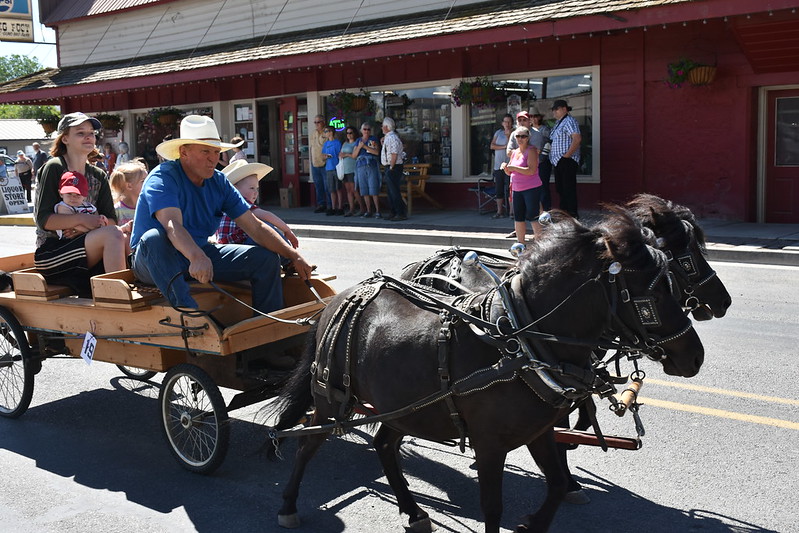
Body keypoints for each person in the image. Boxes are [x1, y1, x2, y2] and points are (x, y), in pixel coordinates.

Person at [129, 114, 314, 318]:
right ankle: (189, 314)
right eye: (205, 151)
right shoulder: (163, 177)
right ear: (184, 152)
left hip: (198, 253)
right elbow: (173, 226)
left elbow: (255, 227)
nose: (213, 158)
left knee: (266, 259)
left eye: (217, 152)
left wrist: (294, 256)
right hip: (154, 260)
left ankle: (269, 328)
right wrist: (197, 256)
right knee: (154, 237)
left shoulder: (219, 181)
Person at [33, 112, 127, 296]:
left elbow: (111, 220)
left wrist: (84, 229)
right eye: (80, 133)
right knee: (114, 235)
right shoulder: (55, 167)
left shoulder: (98, 174)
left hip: (86, 244)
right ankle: (117, 299)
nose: (88, 137)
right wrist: (82, 219)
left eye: (91, 133)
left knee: (125, 237)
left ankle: (122, 292)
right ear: (65, 139)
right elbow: (44, 220)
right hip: (52, 252)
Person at [215, 159, 299, 257]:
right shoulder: (240, 201)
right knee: (266, 228)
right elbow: (267, 216)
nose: (256, 192)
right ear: (235, 189)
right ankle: (288, 257)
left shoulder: (223, 204)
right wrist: (287, 230)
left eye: (257, 188)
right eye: (252, 188)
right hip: (239, 246)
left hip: (226, 248)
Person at [501, 126, 542, 244]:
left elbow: (531, 171)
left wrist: (513, 168)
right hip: (516, 189)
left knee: (533, 216)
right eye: (518, 136)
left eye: (523, 136)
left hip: (531, 188)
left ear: (528, 138)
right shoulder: (514, 152)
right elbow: (510, 172)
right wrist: (506, 169)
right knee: (518, 217)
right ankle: (520, 244)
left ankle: (540, 244)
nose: (520, 139)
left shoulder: (532, 150)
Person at [549, 99, 582, 218]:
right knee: (561, 189)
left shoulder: (569, 121)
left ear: (564, 109)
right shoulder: (558, 123)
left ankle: (572, 214)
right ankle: (564, 213)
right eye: (553, 110)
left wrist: (567, 156)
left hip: (567, 160)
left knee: (568, 188)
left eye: (556, 109)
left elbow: (577, 139)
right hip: (558, 161)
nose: (554, 112)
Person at [54, 171, 109, 237]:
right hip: (70, 239)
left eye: (78, 194)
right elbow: (74, 224)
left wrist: (102, 220)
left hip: (89, 235)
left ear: (84, 196)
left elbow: (97, 219)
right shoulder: (63, 206)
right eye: (69, 193)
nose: (73, 197)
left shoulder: (89, 206)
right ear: (61, 194)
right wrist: (93, 230)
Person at [109, 160, 148, 239]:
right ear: (129, 186)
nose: (148, 183)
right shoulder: (117, 210)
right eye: (143, 181)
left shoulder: (148, 207)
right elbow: (111, 235)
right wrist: (125, 228)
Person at [352, 122, 382, 218]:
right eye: (364, 129)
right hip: (361, 165)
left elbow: (376, 152)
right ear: (361, 130)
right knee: (364, 189)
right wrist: (359, 147)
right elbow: (354, 155)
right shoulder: (358, 140)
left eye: (368, 129)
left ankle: (378, 211)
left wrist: (364, 146)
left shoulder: (373, 139)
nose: (366, 131)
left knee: (373, 188)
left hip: (371, 165)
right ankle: (368, 211)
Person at [380, 117, 407, 221]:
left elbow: (394, 154)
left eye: (383, 126)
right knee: (390, 191)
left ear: (387, 127)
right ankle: (393, 212)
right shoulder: (388, 138)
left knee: (394, 191)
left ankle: (400, 213)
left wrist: (391, 167)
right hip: (390, 166)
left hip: (393, 166)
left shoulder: (392, 138)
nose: (382, 128)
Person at [490, 114, 513, 218]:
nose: (507, 124)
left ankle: (512, 212)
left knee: (510, 189)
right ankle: (499, 211)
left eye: (509, 122)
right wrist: (504, 146)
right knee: (499, 189)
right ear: (502, 123)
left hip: (509, 166)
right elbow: (492, 145)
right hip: (498, 166)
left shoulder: (514, 133)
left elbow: (511, 147)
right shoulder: (498, 133)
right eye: (505, 122)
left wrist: (508, 136)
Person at [339, 126, 364, 217]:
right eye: (347, 133)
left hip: (353, 168)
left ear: (354, 133)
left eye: (350, 133)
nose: (349, 135)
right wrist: (343, 155)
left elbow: (354, 155)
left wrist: (346, 154)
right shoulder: (345, 143)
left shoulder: (356, 143)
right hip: (345, 169)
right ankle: (351, 209)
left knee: (354, 190)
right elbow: (341, 154)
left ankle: (362, 208)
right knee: (348, 190)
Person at [531, 112, 553, 212]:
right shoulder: (529, 131)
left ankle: (546, 210)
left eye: (535, 116)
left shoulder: (545, 129)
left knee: (543, 186)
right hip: (532, 162)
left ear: (540, 117)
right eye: (531, 116)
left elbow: (548, 144)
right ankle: (536, 210)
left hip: (543, 162)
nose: (533, 118)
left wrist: (541, 157)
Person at [322, 127, 344, 215]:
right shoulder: (326, 143)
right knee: (331, 189)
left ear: (331, 132)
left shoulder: (337, 143)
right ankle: (333, 207)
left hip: (336, 167)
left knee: (338, 188)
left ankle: (340, 207)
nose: (325, 133)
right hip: (329, 168)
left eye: (326, 131)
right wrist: (325, 157)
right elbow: (323, 155)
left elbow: (340, 154)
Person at [310, 115, 328, 213]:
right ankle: (321, 204)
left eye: (318, 122)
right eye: (315, 122)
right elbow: (311, 147)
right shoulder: (313, 133)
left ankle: (330, 205)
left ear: (323, 122)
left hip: (325, 163)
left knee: (327, 185)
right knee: (318, 185)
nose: (316, 124)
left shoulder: (327, 132)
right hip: (315, 162)